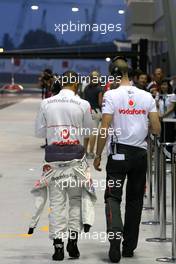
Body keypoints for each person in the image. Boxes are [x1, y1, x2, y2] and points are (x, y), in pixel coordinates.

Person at [93, 56, 161, 263]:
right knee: (135, 200)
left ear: (113, 74)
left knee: (113, 197)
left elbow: (104, 127)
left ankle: (115, 236)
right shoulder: (146, 96)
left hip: (118, 155)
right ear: (129, 75)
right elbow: (156, 128)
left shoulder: (110, 95)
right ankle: (129, 247)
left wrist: (97, 154)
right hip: (140, 156)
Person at [35, 70, 93, 261]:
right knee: (75, 202)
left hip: (53, 162)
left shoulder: (46, 103)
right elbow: (88, 131)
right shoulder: (83, 104)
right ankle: (73, 243)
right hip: (75, 161)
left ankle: (58, 246)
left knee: (56, 205)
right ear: (76, 84)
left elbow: (39, 132)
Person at [83, 70, 103, 159]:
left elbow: (83, 100)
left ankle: (84, 152)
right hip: (96, 111)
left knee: (86, 132)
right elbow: (100, 103)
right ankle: (91, 152)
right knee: (93, 133)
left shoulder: (86, 88)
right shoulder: (100, 89)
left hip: (87, 111)